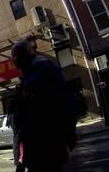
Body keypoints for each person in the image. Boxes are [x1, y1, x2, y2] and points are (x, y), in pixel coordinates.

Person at [11, 40, 77, 171]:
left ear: (20, 57)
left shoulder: (39, 76)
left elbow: (30, 120)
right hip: (42, 149)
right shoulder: (34, 74)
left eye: (14, 56)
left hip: (45, 148)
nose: (13, 61)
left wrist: (65, 142)